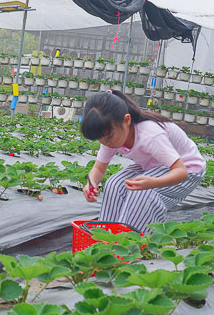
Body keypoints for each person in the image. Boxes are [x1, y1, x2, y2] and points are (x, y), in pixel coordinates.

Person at [81, 90, 206, 233]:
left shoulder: (150, 135)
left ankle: (134, 243)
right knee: (114, 184)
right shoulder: (111, 134)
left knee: (141, 193)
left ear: (127, 120)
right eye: (100, 138)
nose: (105, 143)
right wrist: (91, 183)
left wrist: (152, 183)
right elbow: (99, 169)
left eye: (109, 137)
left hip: (188, 170)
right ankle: (107, 237)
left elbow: (181, 172)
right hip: (154, 165)